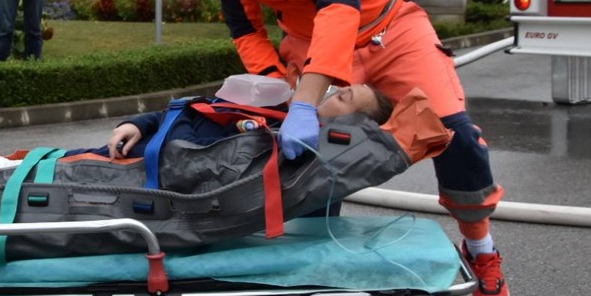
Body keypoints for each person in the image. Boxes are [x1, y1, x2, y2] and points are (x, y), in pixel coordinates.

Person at [189, 0, 510, 296]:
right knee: (305, 156)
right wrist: (278, 91)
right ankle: (313, 270)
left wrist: (305, 102)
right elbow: (246, 31)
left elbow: (340, 5)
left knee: (453, 132)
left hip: (389, 30)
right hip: (308, 43)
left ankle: (481, 248)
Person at [103, 84, 394, 161]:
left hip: (141, 167)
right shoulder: (283, 111)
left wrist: (173, 113)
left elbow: (192, 153)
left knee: (61, 166)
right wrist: (138, 123)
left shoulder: (285, 143)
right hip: (134, 143)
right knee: (61, 159)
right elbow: (205, 109)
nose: (329, 92)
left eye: (343, 98)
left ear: (346, 126)